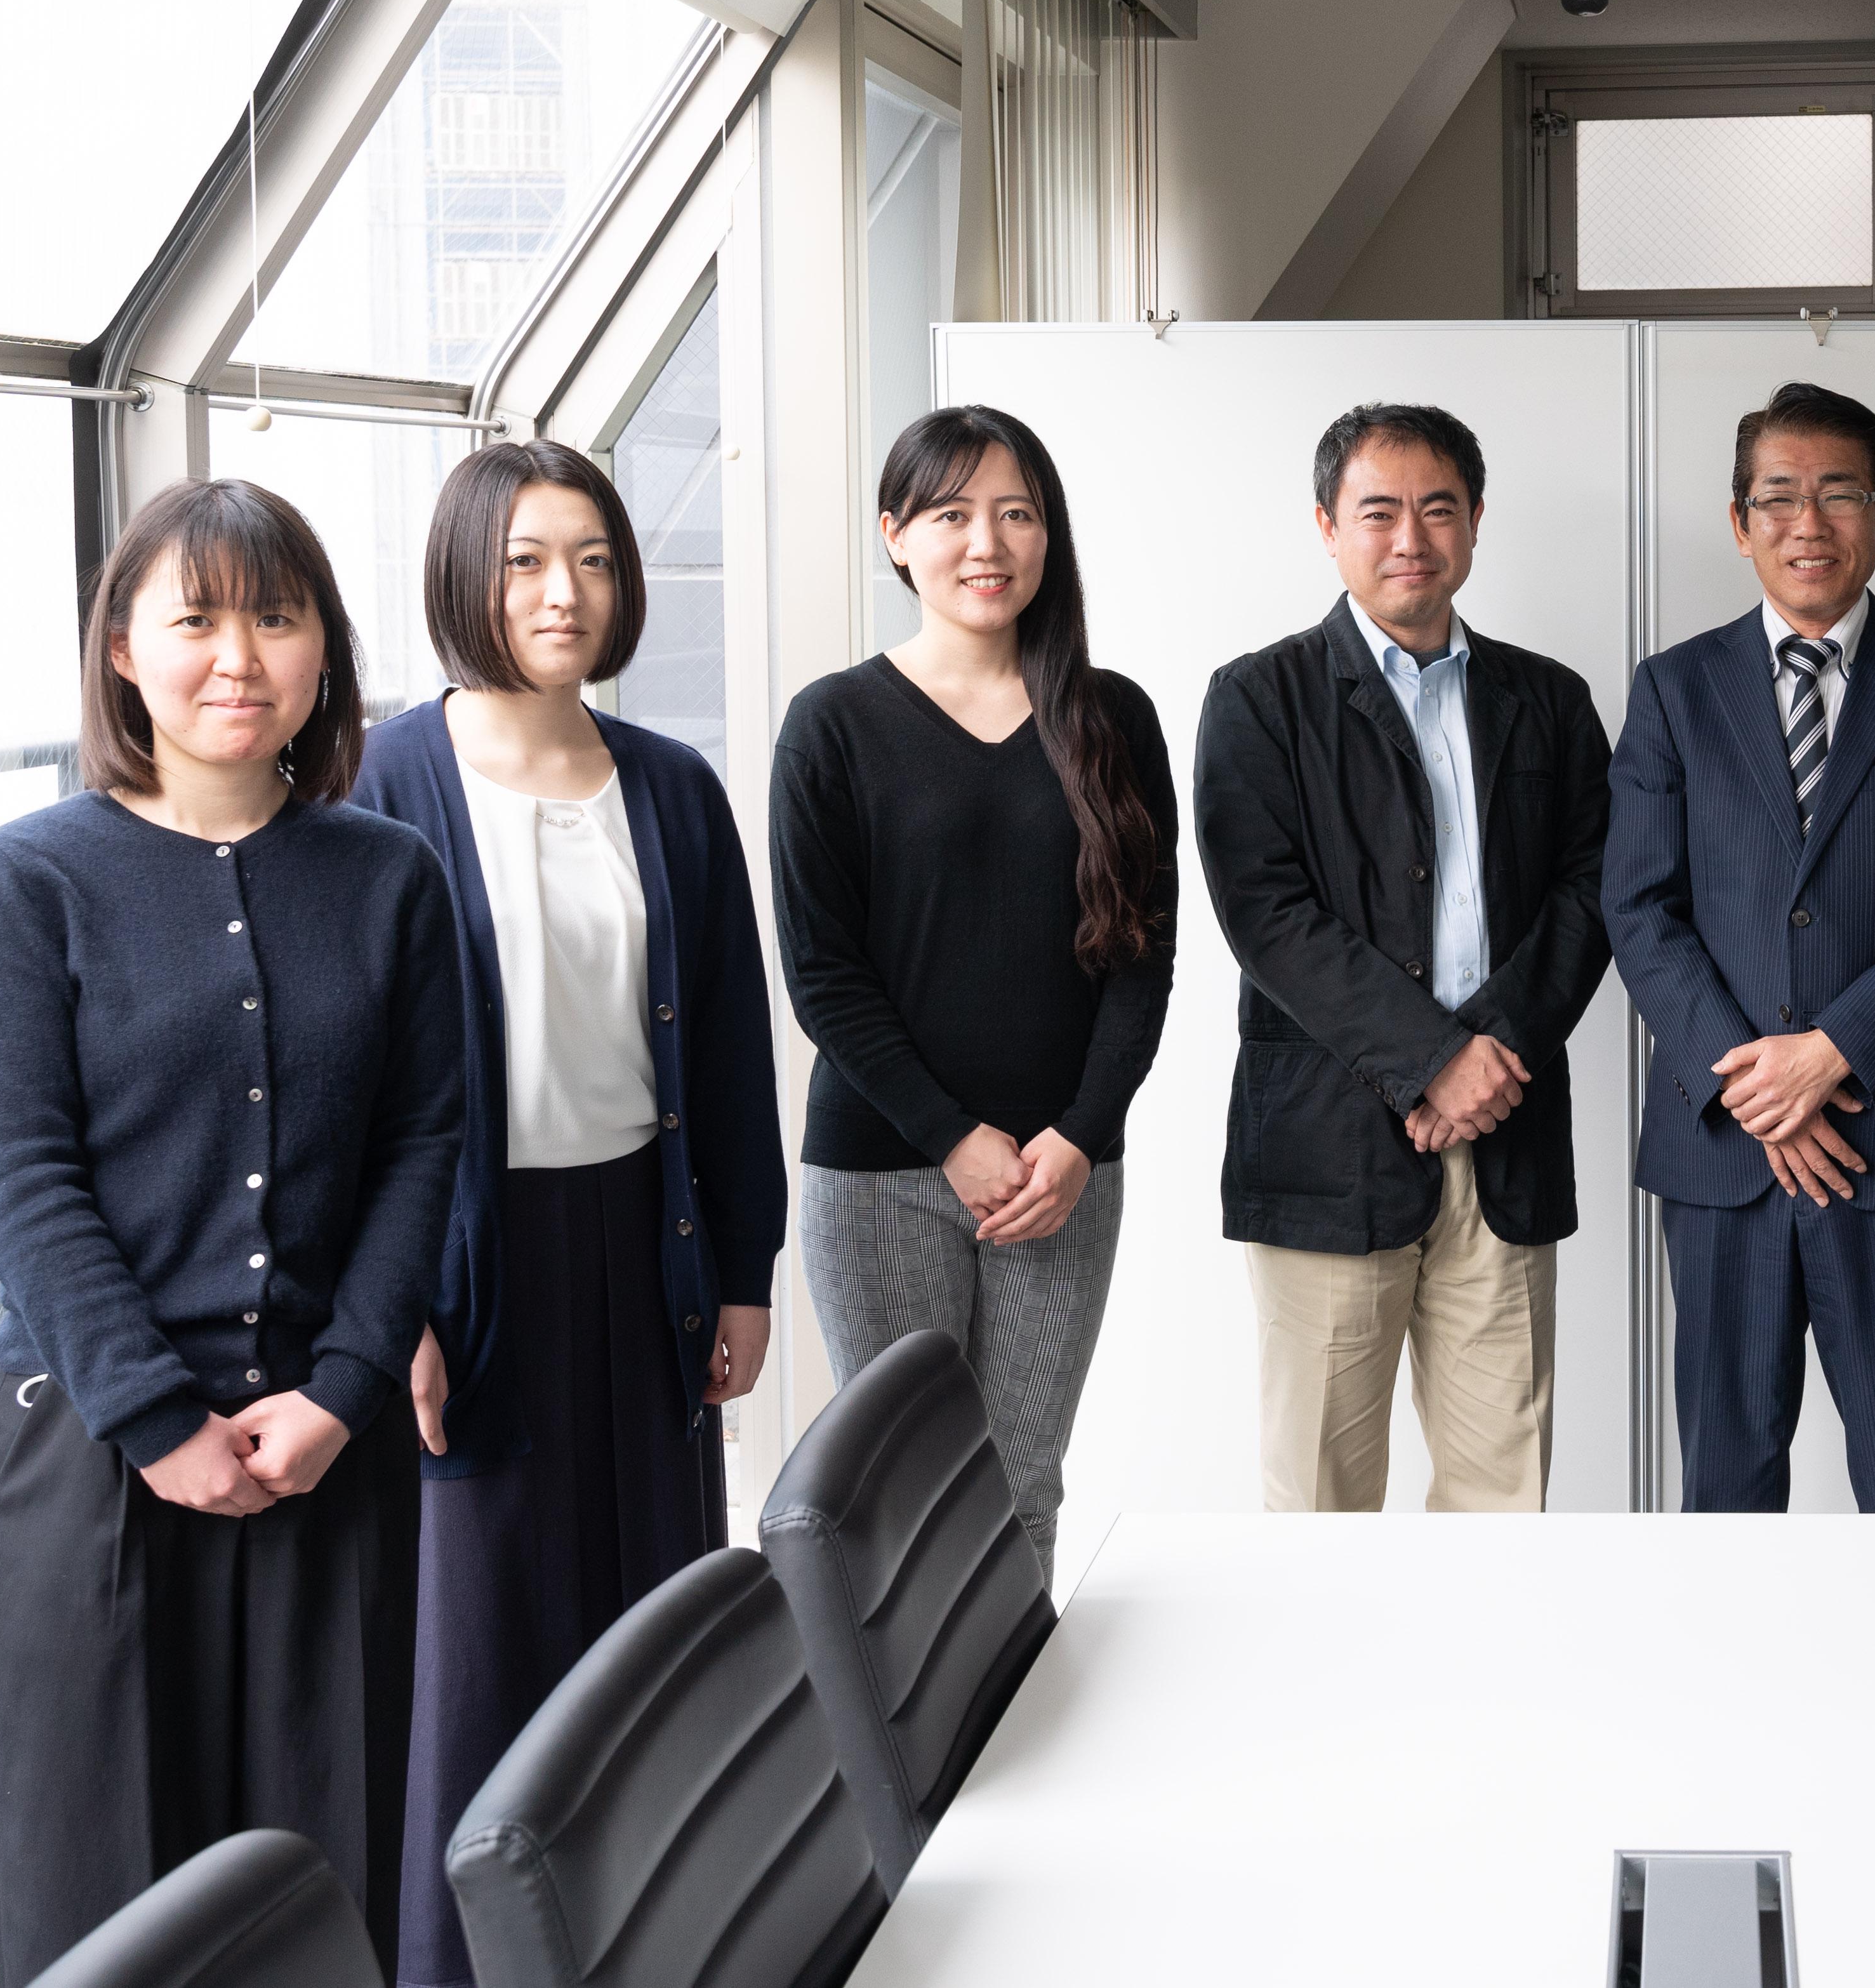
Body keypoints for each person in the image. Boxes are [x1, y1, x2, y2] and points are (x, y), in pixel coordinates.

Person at [0, 480, 461, 1984]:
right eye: (196, 619)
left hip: (325, 1457)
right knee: (94, 1899)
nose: (239, 656)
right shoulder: (30, 879)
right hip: (92, 1461)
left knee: (316, 1888)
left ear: (324, 652)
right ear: (122, 648)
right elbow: (23, 1178)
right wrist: (159, 1418)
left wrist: (345, 1389)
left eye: (277, 618)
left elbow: (423, 1146)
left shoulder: (389, 876)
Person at [351, 442, 781, 1988]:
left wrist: (745, 1267)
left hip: (645, 1251)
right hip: (468, 1270)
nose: (563, 593)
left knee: (653, 1634)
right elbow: (351, 1083)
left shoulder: (669, 786)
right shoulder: (386, 782)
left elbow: (726, 1049)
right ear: (465, 573)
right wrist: (390, 1306)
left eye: (594, 559)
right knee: (477, 1656)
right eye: (527, 559)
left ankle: (659, 1947)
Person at [1605, 382, 1875, 1513]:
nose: (1809, 523)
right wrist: (1758, 1087)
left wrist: (1833, 1052)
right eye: (1778, 497)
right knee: (1726, 1479)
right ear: (1738, 522)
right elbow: (1639, 906)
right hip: (1722, 1149)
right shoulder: (1673, 690)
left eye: (1840, 495)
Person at [771, 405, 1174, 1575]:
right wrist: (951, 1136)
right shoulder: (833, 724)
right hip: (883, 1173)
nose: (986, 542)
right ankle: (886, 1710)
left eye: (1015, 513)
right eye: (951, 514)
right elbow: (823, 975)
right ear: (896, 534)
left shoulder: (1112, 719)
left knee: (1022, 1483)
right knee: (897, 1496)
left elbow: (1142, 959)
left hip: (1060, 1173)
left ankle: (1011, 1701)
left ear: (1049, 534)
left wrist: (1080, 1139)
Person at [1192, 404, 1614, 1511]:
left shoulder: (1550, 701)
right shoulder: (1258, 699)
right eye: (1378, 511)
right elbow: (1267, 914)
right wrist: (1432, 1060)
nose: (1410, 538)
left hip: (1506, 1137)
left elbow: (1590, 893)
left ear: (1474, 521)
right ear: (1327, 527)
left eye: (1438, 509)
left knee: (1500, 1500)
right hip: (1327, 1151)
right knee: (1319, 1502)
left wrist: (1490, 1055)